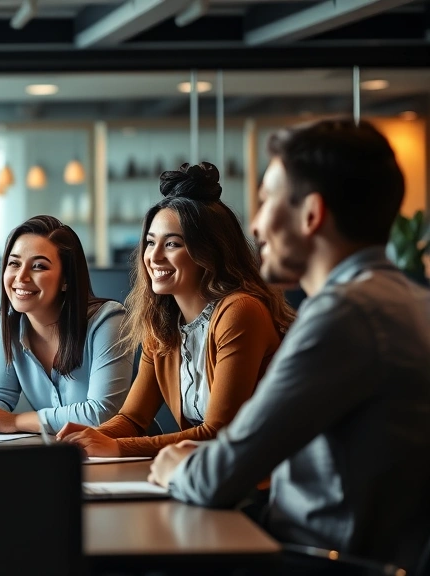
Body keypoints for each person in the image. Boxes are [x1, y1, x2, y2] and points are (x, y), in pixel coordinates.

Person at [148, 119, 430, 570]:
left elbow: (218, 477)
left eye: (266, 202)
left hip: (317, 558)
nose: (255, 226)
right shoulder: (411, 299)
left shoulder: (344, 314)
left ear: (311, 214)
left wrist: (176, 466)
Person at [57, 163, 292, 457]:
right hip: (204, 473)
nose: (153, 257)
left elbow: (219, 432)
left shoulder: (240, 312)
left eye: (172, 244)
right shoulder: (163, 323)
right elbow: (132, 418)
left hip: (258, 483)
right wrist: (85, 439)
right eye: (150, 242)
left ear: (209, 252)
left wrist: (115, 446)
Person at [0, 215, 133, 435]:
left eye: (38, 266)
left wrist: (16, 421)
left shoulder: (109, 321)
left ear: (66, 280)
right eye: (14, 263)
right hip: (63, 455)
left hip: (129, 456)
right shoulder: (7, 324)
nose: (21, 277)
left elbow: (102, 414)